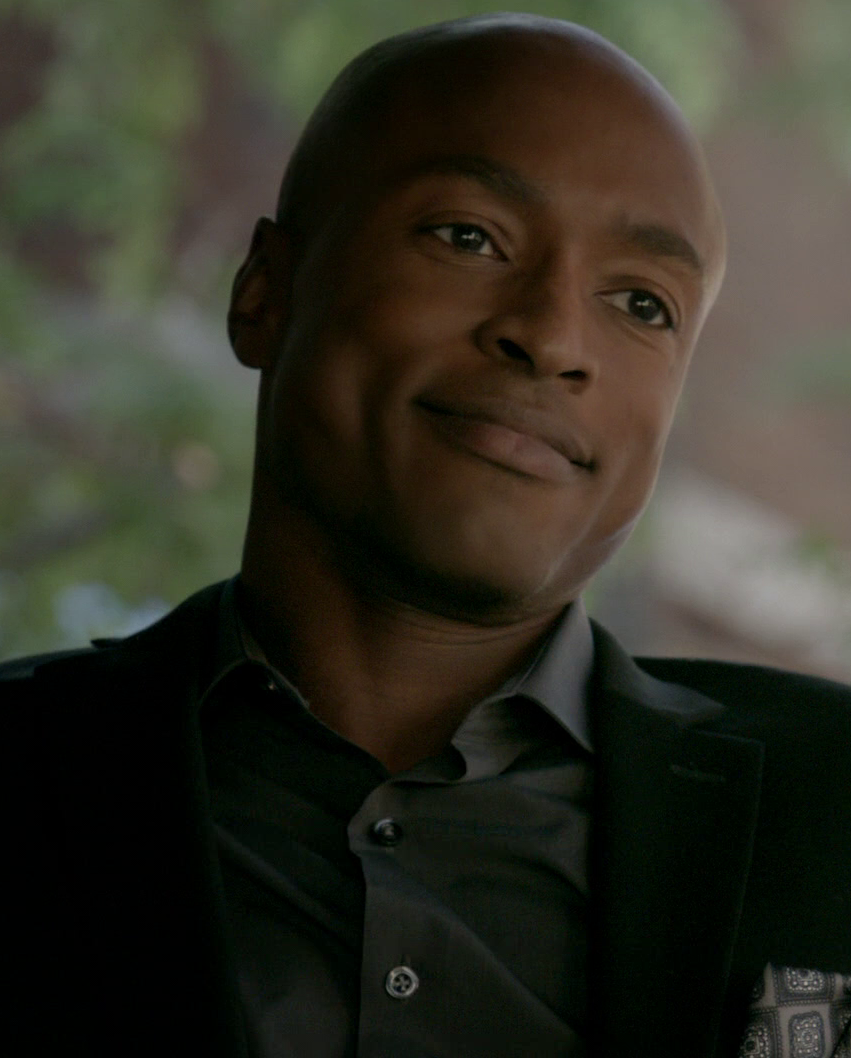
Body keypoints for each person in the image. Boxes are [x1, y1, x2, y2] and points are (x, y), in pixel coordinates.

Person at [5, 13, 850, 1058]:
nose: (550, 335)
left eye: (641, 302)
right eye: (469, 237)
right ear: (264, 293)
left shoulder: (831, 813)